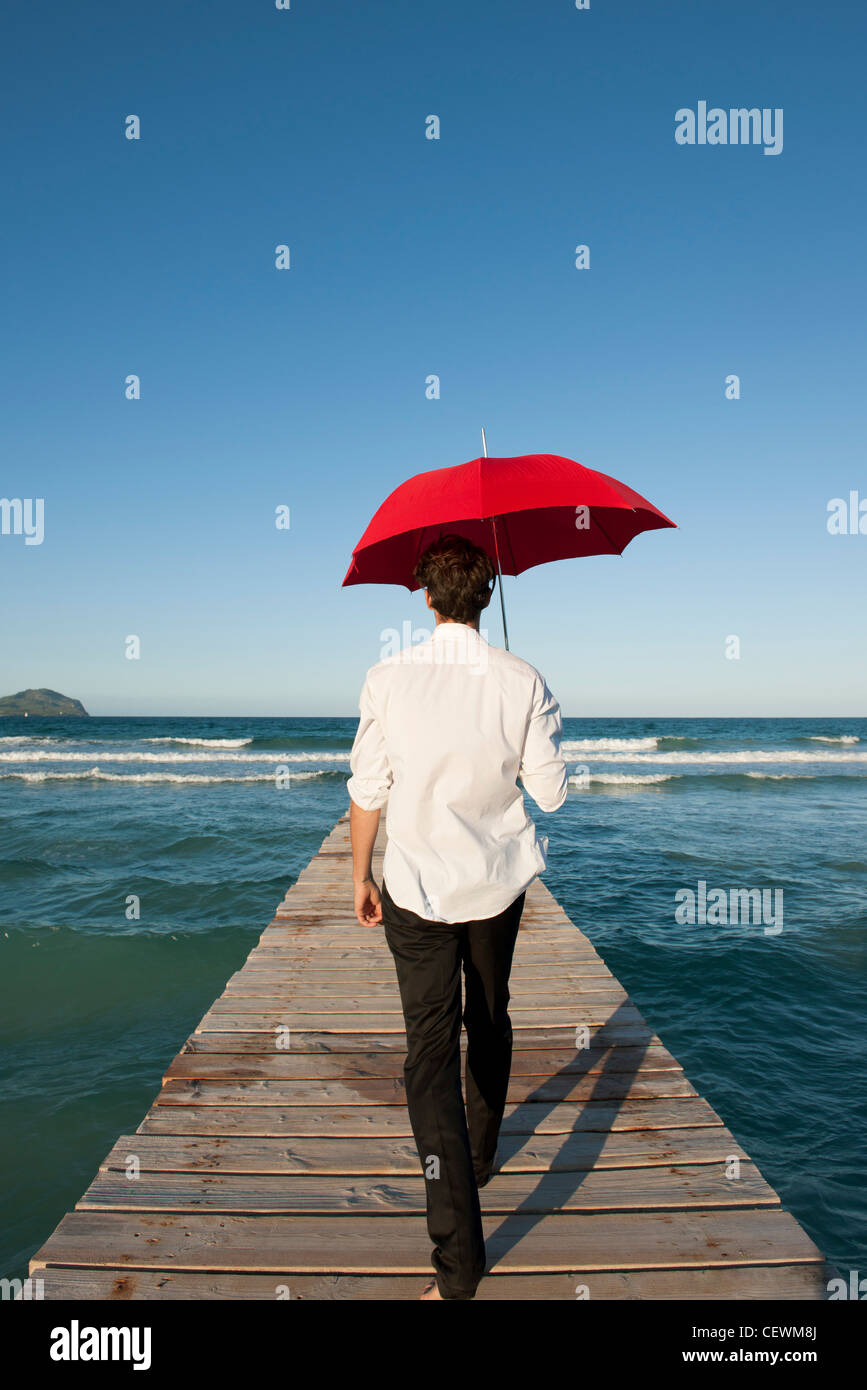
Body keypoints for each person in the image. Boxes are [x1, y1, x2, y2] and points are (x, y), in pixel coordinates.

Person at [346, 533, 568, 1300]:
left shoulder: (387, 677)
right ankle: (480, 1152)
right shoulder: (522, 678)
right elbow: (549, 794)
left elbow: (367, 788)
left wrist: (359, 876)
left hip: (414, 887)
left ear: (426, 596)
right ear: (487, 595)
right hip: (498, 886)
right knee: (492, 1013)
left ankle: (458, 1262)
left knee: (428, 1053)